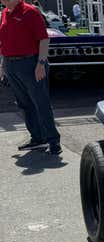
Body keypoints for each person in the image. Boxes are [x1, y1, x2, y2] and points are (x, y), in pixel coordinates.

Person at [0, 0, 61, 154]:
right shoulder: (5, 13)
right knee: (25, 104)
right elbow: (4, 42)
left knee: (41, 102)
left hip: (30, 63)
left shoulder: (30, 12)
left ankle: (53, 141)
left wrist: (41, 63)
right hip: (11, 64)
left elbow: (44, 39)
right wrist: (3, 66)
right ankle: (37, 138)